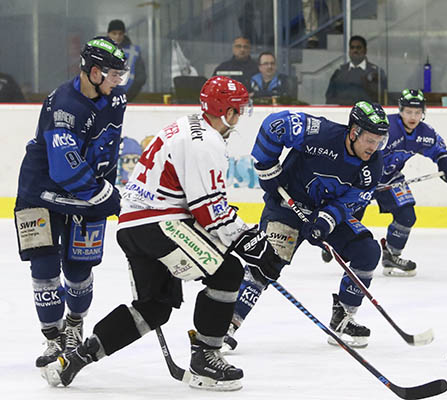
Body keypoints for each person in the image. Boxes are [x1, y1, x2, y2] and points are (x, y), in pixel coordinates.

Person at [40, 76, 283, 391]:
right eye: (238, 109)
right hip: (160, 223)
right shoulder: (206, 140)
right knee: (228, 273)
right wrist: (255, 246)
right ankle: (207, 357)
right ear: (228, 111)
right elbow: (209, 212)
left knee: (153, 308)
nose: (239, 116)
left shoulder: (185, 126)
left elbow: (203, 208)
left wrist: (247, 240)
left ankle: (77, 358)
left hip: (134, 224)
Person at [225, 100, 389, 351]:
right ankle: (227, 323)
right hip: (286, 205)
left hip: (324, 212)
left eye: (379, 141)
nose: (374, 147)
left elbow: (355, 198)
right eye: (370, 140)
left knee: (367, 252)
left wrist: (327, 219)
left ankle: (343, 317)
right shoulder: (320, 133)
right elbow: (275, 125)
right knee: (266, 263)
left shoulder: (372, 164)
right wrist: (267, 168)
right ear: (354, 131)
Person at [13, 37, 128, 370]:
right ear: (94, 72)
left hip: (88, 191)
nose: (119, 81)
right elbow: (64, 169)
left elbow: (109, 145)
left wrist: (109, 185)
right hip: (41, 193)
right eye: (114, 74)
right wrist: (105, 197)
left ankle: (74, 328)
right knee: (45, 269)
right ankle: (53, 338)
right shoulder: (66, 107)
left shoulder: (115, 96)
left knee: (79, 270)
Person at [323, 89, 447, 276]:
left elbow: (438, 148)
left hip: (390, 177)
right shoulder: (387, 128)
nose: (413, 116)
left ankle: (391, 255)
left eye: (417, 112)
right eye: (408, 112)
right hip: (362, 177)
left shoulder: (424, 132)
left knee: (407, 216)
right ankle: (335, 241)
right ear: (400, 110)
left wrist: (446, 161)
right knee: (352, 217)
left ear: (423, 112)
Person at [325, 35, 387, 105]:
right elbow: (329, 97)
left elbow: (381, 98)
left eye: (358, 48)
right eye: (352, 48)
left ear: (365, 50)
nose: (355, 50)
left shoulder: (376, 72)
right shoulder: (339, 72)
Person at [107, 19, 147, 102]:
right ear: (108, 34)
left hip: (129, 97)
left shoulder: (134, 52)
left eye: (120, 34)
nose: (117, 37)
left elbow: (141, 77)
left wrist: (128, 96)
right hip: (104, 98)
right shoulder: (100, 50)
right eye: (114, 33)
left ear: (124, 34)